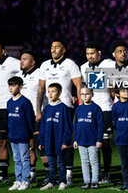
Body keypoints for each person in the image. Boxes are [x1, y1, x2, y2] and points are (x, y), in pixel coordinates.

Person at [37, 39, 82, 185]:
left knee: (66, 141)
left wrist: (81, 106)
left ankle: (68, 173)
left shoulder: (70, 64)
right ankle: (52, 177)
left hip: (66, 106)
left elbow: (79, 86)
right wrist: (38, 109)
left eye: (57, 47)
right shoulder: (44, 65)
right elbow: (40, 89)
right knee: (51, 140)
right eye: (51, 47)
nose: (53, 49)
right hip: (49, 108)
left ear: (63, 50)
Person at [80, 42, 115, 183]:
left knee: (105, 143)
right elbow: (84, 87)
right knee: (93, 143)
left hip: (106, 109)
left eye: (92, 53)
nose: (90, 56)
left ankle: (107, 172)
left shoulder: (108, 63)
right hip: (91, 109)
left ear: (99, 53)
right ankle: (97, 173)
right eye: (87, 53)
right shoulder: (83, 68)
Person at [0, 42, 20, 183]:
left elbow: (26, 70)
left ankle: (27, 174)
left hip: (12, 108)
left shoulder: (13, 63)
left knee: (19, 141)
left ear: (3, 51)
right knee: (1, 142)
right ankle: (4, 174)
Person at [38, 83, 73, 191]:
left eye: (53, 91)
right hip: (49, 141)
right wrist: (42, 141)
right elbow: (43, 127)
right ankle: (51, 182)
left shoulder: (63, 108)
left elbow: (68, 126)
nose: (50, 94)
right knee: (51, 164)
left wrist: (65, 141)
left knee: (61, 163)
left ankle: (63, 182)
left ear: (60, 93)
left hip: (59, 141)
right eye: (49, 92)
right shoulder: (47, 109)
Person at [16, 51, 43, 183]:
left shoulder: (40, 74)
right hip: (22, 117)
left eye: (25, 59)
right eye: (21, 59)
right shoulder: (18, 76)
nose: (21, 61)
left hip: (36, 115)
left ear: (33, 62)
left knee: (38, 145)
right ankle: (32, 174)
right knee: (27, 146)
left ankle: (50, 174)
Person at [6, 76, 35, 191]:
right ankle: (18, 180)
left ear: (20, 87)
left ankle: (26, 181)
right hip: (13, 136)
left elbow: (30, 120)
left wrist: (31, 135)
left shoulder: (25, 102)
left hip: (23, 135)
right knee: (16, 159)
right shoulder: (9, 102)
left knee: (24, 159)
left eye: (13, 85)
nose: (11, 88)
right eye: (9, 85)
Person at [73, 86, 103, 190]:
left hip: (92, 140)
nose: (84, 96)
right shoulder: (79, 108)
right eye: (82, 94)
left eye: (87, 94)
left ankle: (95, 181)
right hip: (81, 140)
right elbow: (76, 125)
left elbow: (100, 126)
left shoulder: (96, 108)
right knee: (84, 161)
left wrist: (99, 140)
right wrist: (75, 140)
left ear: (92, 95)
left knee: (94, 161)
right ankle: (86, 181)